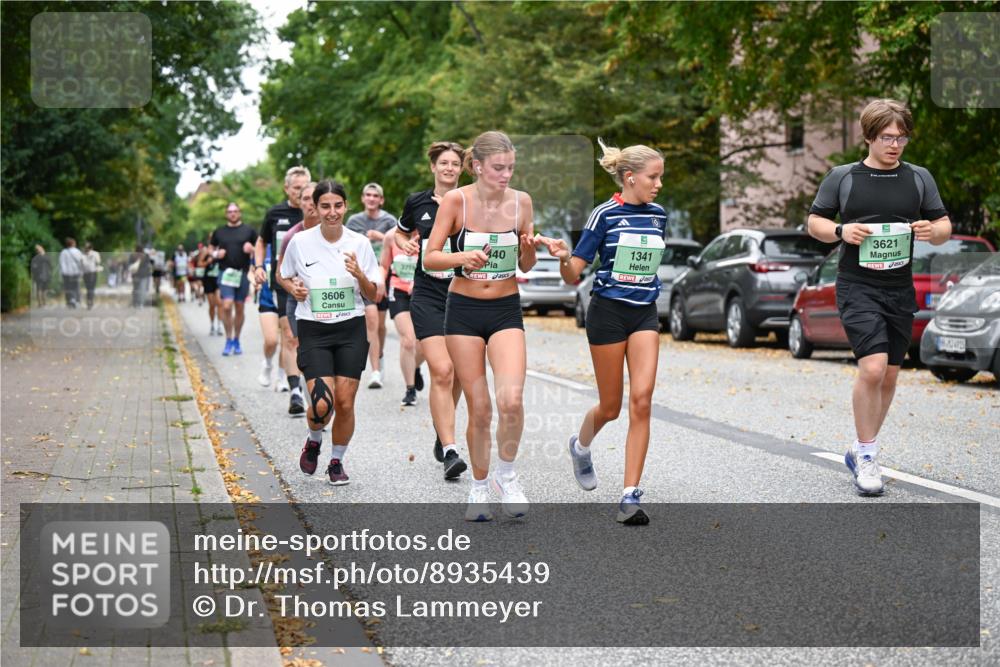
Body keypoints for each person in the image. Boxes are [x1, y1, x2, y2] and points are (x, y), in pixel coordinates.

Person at [807, 99, 951, 496]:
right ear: (869, 136)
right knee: (871, 368)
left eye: (901, 137)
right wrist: (841, 232)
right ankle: (869, 456)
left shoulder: (919, 178)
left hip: (898, 288)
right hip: (857, 285)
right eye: (887, 137)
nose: (895, 144)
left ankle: (860, 447)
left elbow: (943, 226)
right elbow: (814, 221)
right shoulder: (843, 177)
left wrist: (931, 231)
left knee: (890, 373)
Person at [541, 139, 667, 526]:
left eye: (661, 177)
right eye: (653, 177)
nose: (659, 184)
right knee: (611, 407)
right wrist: (563, 257)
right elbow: (573, 272)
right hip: (608, 314)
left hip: (644, 312)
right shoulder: (604, 216)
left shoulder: (659, 215)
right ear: (630, 178)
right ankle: (581, 446)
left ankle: (630, 495)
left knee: (642, 400)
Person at [424, 131, 539, 521]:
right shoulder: (457, 201)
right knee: (481, 407)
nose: (506, 175)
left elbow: (526, 265)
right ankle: (477, 487)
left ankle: (506, 476)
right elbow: (430, 258)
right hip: (463, 312)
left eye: (510, 167)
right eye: (497, 168)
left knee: (511, 400)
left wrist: (529, 251)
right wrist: (463, 257)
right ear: (477, 167)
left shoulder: (522, 202)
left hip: (506, 309)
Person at [280, 180, 381, 486]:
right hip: (314, 330)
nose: (332, 212)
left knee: (346, 403)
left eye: (338, 205)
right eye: (325, 206)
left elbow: (373, 294)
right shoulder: (300, 242)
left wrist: (359, 274)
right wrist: (293, 287)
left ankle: (336, 461)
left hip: (350, 328)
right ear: (316, 207)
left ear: (345, 206)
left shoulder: (359, 243)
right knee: (323, 405)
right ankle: (314, 439)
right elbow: (284, 275)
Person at [394, 141, 467, 480]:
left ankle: (443, 429)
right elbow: (401, 231)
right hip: (428, 294)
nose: (450, 168)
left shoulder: (472, 201)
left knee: (459, 374)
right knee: (442, 369)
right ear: (433, 168)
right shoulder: (417, 202)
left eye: (455, 164)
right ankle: (451, 451)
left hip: (464, 294)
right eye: (444, 163)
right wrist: (406, 243)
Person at [255, 166, 309, 411]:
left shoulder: (316, 211)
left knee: (308, 339)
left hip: (312, 284)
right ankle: (295, 391)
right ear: (287, 188)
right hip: (283, 282)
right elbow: (262, 241)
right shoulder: (275, 213)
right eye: (296, 188)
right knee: (290, 337)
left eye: (305, 187)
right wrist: (258, 266)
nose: (301, 192)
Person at [346, 183, 397, 389]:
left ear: (381, 200)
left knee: (381, 326)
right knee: (372, 323)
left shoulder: (389, 220)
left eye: (376, 195)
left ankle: (380, 356)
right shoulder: (354, 221)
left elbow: (399, 244)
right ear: (363, 198)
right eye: (368, 195)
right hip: (363, 277)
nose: (372, 198)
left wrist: (381, 237)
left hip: (384, 276)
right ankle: (375, 371)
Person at [381, 229, 424, 406]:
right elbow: (384, 265)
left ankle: (414, 367)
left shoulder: (430, 232)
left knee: (425, 343)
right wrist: (379, 282)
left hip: (423, 292)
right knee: (408, 340)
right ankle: (410, 389)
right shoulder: (391, 236)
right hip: (398, 292)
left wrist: (420, 280)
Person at [210, 202, 258, 356]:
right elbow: (210, 248)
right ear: (226, 214)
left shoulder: (249, 230)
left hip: (242, 273)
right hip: (225, 273)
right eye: (230, 211)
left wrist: (252, 249)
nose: (232, 214)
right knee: (226, 306)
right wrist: (216, 254)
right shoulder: (219, 231)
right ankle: (228, 338)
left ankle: (236, 339)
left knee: (239, 307)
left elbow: (260, 247)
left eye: (235, 211)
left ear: (240, 213)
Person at [257, 244, 281, 387]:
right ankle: (267, 363)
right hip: (268, 299)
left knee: (289, 341)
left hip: (289, 299)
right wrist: (255, 280)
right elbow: (251, 270)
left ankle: (283, 378)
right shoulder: (263, 248)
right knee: (271, 341)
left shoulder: (295, 240)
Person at [198, 238, 222, 334]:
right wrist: (207, 262)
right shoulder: (205, 251)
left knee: (219, 303)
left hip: (218, 279)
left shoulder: (221, 250)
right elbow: (199, 263)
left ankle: (219, 325)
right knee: (212, 305)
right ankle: (212, 325)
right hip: (208, 280)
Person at [58, 237, 84, 308]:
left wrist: (62, 273)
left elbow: (61, 263)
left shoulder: (63, 252)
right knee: (76, 287)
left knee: (68, 287)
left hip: (66, 273)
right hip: (76, 272)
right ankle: (76, 300)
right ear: (73, 243)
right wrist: (82, 272)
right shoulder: (77, 251)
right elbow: (81, 262)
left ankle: (70, 301)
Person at [80, 242, 102, 309]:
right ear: (92, 247)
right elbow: (98, 262)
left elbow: (81, 264)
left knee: (88, 288)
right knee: (91, 288)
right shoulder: (95, 253)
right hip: (93, 272)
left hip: (85, 273)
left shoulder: (82, 254)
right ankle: (90, 301)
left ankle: (89, 301)